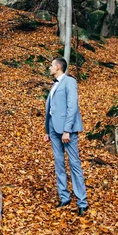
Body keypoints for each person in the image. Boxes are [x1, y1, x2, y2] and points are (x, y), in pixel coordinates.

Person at [44, 57, 89, 216]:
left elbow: (72, 107)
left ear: (57, 67)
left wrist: (67, 130)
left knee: (74, 163)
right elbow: (50, 109)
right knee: (59, 163)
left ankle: (82, 202)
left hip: (66, 131)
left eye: (51, 65)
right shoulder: (54, 85)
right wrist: (47, 131)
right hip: (54, 130)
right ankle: (64, 197)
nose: (49, 68)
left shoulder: (69, 82)